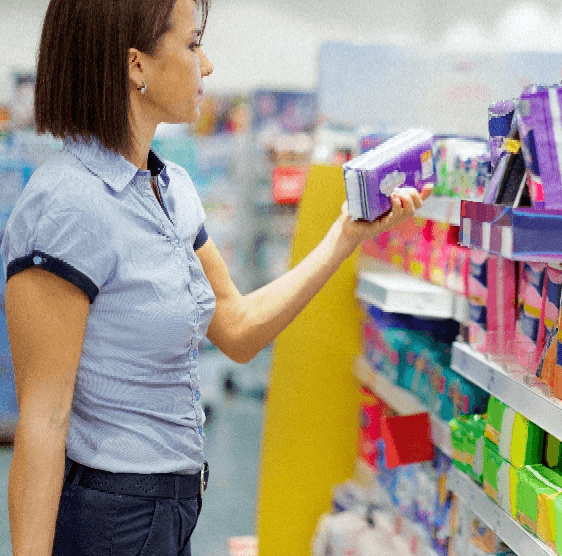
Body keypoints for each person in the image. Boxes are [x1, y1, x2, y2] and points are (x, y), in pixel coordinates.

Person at [4, 0, 431, 554]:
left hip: (172, 513)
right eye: (192, 43)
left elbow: (237, 328)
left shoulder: (170, 190)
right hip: (110, 521)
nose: (206, 64)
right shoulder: (66, 206)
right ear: (136, 65)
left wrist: (344, 236)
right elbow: (43, 423)